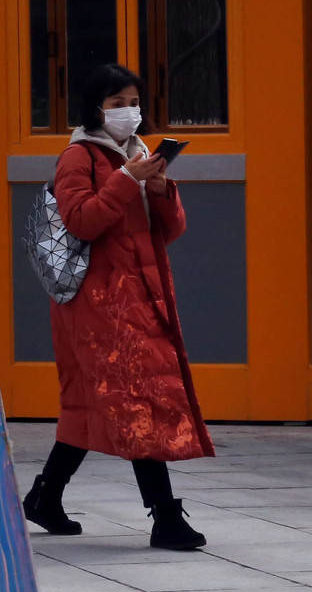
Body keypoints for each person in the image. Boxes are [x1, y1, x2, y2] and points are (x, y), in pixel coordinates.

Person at [22, 64, 213, 551]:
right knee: (135, 398)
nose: (129, 111)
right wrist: (126, 179)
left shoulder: (140, 154)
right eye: (116, 103)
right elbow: (82, 221)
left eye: (133, 101)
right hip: (96, 302)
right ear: (94, 109)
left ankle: (45, 497)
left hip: (142, 294)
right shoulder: (78, 157)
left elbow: (168, 232)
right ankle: (165, 516)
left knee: (92, 403)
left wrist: (158, 188)